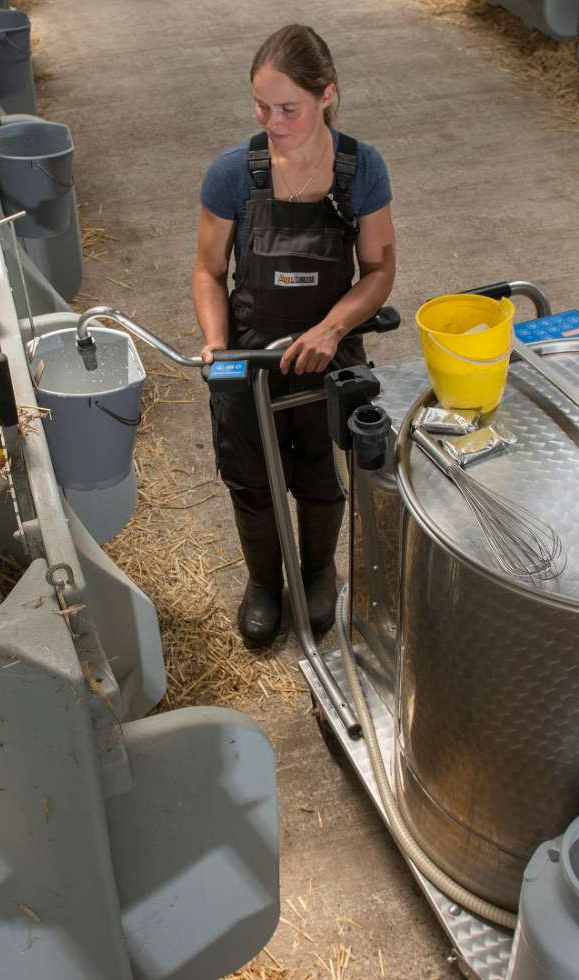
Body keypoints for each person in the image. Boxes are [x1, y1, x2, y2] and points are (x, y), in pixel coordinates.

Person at [194, 24, 397, 647]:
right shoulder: (234, 173)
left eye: (289, 107)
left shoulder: (360, 169)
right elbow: (207, 271)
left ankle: (315, 573)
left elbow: (381, 270)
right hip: (251, 349)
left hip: (327, 350)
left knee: (316, 471)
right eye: (262, 106)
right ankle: (262, 581)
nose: (273, 120)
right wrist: (215, 343)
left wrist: (334, 329)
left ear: (326, 95)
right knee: (250, 476)